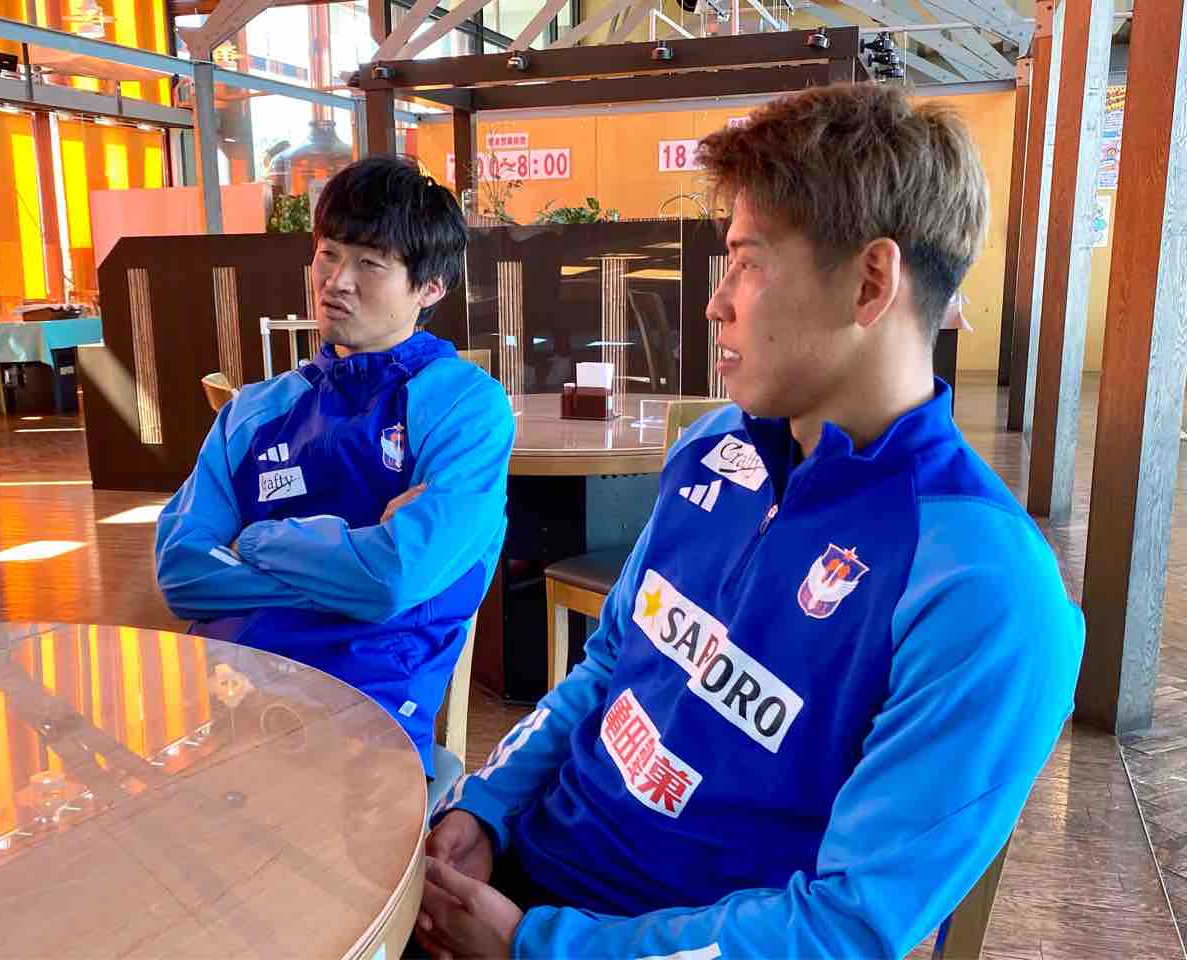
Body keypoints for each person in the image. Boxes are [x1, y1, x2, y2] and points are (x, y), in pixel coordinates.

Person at [414, 83, 1085, 958]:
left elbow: (845, 927)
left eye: (748, 262)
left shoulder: (985, 588)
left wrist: (533, 947)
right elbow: (611, 662)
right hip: (522, 875)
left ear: (871, 282)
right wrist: (486, 808)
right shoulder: (713, 448)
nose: (716, 302)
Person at [154, 156, 514, 776]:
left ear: (430, 288)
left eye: (370, 264)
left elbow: (392, 577)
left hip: (366, 724)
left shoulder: (465, 407)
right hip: (222, 703)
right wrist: (349, 561)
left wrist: (255, 540)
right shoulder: (255, 409)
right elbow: (182, 574)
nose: (336, 281)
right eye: (328, 254)